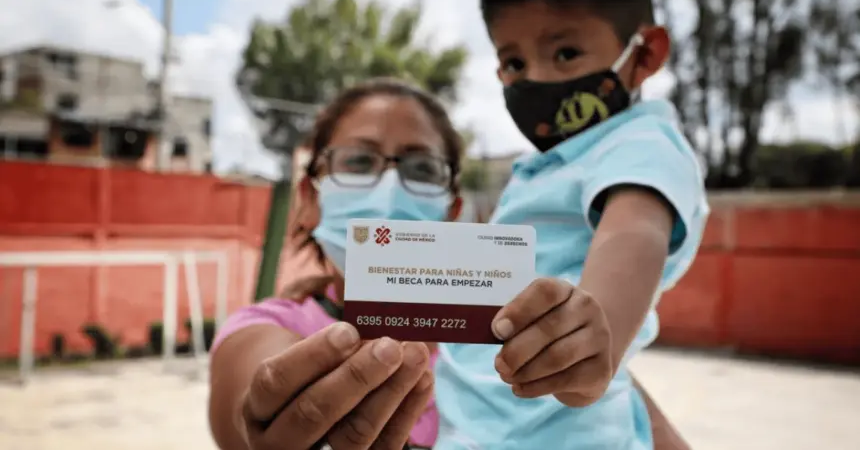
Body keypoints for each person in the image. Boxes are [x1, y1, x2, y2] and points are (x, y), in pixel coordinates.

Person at [207, 78, 691, 449]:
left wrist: (582, 361)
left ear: (452, 211)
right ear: (309, 200)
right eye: (359, 161)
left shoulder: (519, 340)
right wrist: (272, 413)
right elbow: (251, 392)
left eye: (420, 169)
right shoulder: (266, 325)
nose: (388, 187)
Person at [431, 0, 709, 449]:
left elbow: (635, 230)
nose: (536, 78)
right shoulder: (550, 166)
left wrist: (596, 332)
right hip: (482, 424)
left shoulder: (639, 144)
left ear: (644, 55)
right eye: (514, 61)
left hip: (553, 435)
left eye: (564, 53)